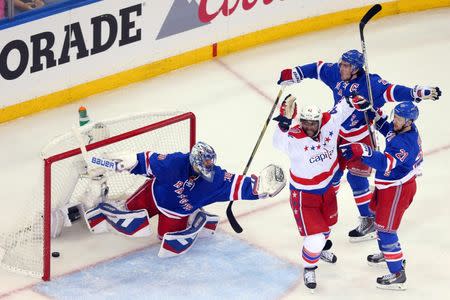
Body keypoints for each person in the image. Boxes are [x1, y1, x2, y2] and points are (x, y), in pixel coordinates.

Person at [277, 49, 441, 242]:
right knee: (331, 174)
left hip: (361, 136)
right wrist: (295, 73)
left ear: (355, 69)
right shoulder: (336, 73)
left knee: (356, 179)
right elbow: (318, 68)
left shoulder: (371, 83)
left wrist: (416, 92)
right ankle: (321, 215)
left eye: (345, 66)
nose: (341, 68)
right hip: (336, 135)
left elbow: (392, 91)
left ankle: (368, 219)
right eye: (341, 64)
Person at [53, 141, 286, 257]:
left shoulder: (215, 179)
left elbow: (242, 185)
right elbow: (139, 160)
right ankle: (106, 210)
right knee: (129, 214)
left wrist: (261, 188)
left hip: (177, 212)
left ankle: (196, 219)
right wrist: (121, 161)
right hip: (152, 196)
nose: (204, 171)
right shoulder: (173, 163)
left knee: (165, 241)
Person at [272, 93, 371, 290]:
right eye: (305, 123)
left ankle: (316, 251)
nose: (309, 127)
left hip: (327, 189)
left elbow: (342, 108)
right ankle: (309, 267)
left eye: (312, 123)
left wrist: (353, 100)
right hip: (304, 194)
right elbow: (278, 143)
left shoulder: (328, 123)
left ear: (318, 121)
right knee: (316, 238)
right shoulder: (294, 137)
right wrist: (284, 122)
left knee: (327, 227)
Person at [340, 102, 422, 290]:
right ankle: (388, 253)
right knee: (379, 222)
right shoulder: (401, 129)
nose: (395, 120)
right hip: (388, 186)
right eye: (396, 116)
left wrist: (363, 150)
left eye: (399, 119)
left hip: (398, 190)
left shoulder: (406, 143)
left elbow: (385, 163)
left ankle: (397, 273)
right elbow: (388, 130)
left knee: (386, 230)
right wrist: (373, 114)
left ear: (409, 122)